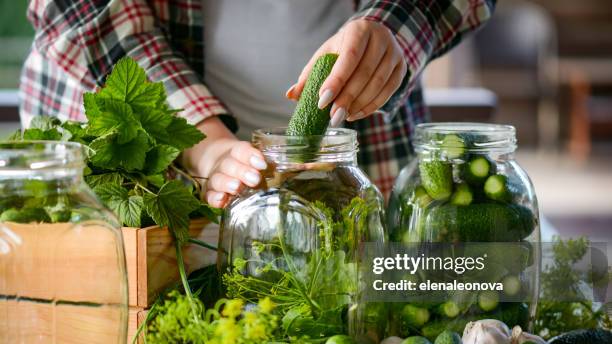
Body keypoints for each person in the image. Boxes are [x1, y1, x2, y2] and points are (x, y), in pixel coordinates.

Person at [20, 0, 495, 208]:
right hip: (149, 151)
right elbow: (79, 7)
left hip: (360, 150)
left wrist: (393, 24)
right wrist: (205, 145)